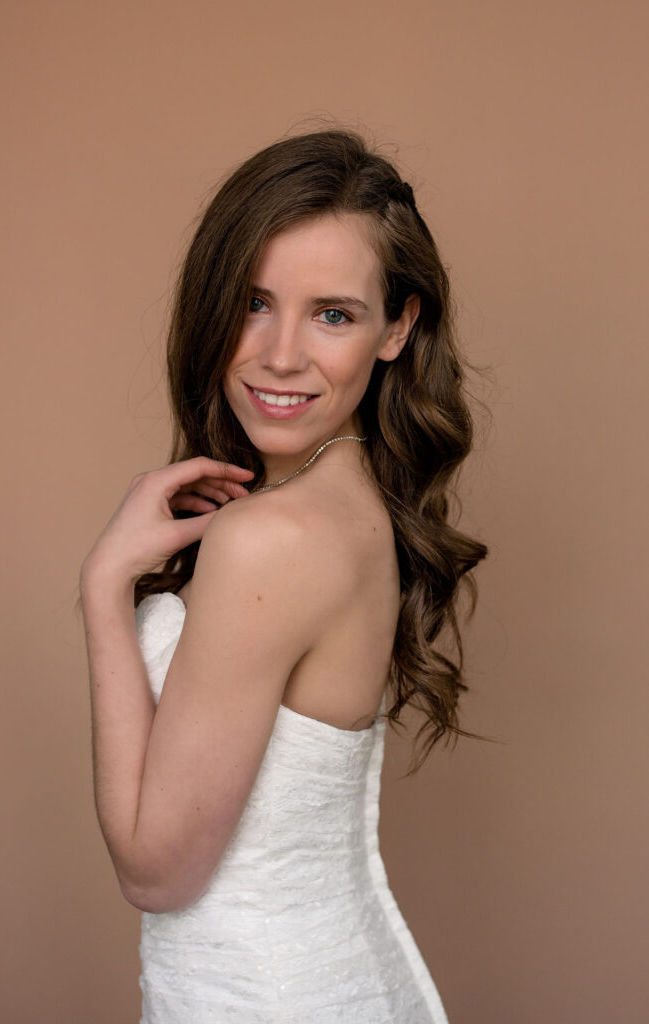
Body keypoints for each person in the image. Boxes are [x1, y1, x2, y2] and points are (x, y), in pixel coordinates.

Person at [79, 126, 488, 1023]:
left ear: (397, 328)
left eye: (332, 313)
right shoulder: (346, 506)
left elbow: (157, 869)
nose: (279, 353)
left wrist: (105, 589)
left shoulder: (274, 537)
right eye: (254, 302)